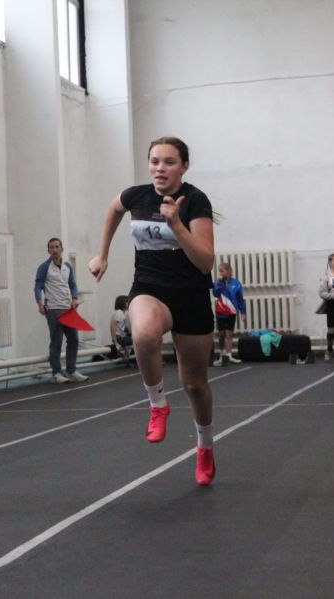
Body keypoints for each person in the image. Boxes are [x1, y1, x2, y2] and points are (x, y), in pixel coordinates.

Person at [88, 136, 218, 486]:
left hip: (190, 296)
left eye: (169, 162)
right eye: (155, 161)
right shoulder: (137, 195)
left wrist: (176, 224)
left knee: (195, 385)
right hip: (150, 288)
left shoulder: (195, 201)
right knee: (143, 331)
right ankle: (157, 404)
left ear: (184, 166)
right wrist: (103, 253)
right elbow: (114, 208)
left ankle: (204, 446)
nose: (160, 168)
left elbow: (205, 263)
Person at [34, 238, 89, 383]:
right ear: (48, 250)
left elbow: (72, 285)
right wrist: (40, 303)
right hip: (53, 309)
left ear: (62, 249)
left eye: (57, 246)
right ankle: (56, 372)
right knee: (56, 341)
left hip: (68, 309)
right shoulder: (44, 267)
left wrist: (75, 298)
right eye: (51, 247)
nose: (54, 249)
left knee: (74, 339)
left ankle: (71, 370)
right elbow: (38, 287)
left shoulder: (67, 266)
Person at [212, 262, 246, 365]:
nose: (221, 273)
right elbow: (215, 294)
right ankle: (222, 355)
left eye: (223, 271)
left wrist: (243, 312)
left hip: (231, 311)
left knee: (229, 333)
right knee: (221, 334)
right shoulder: (218, 283)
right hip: (220, 311)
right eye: (220, 271)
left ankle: (229, 354)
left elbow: (240, 298)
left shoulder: (236, 283)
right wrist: (219, 284)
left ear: (229, 271)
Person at [317, 253, 334, 361]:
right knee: (332, 330)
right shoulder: (326, 277)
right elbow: (321, 293)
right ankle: (329, 349)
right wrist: (332, 296)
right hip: (332, 305)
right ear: (330, 263)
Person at [110, 295, 132, 364]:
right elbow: (112, 326)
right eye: (128, 302)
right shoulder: (118, 313)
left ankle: (125, 355)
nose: (129, 304)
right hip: (119, 338)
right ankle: (124, 355)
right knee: (139, 340)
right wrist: (116, 342)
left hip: (122, 337)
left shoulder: (122, 313)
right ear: (123, 303)